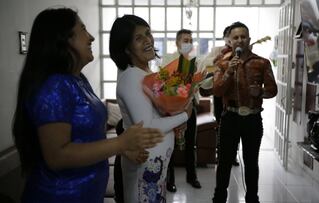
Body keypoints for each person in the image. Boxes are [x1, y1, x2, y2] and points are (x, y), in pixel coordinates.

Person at [12, 8, 164, 203]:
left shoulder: (78, 79)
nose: (91, 37)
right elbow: (57, 156)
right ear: (64, 40)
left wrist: (123, 149)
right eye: (83, 30)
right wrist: (120, 143)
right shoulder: (55, 86)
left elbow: (87, 136)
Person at [109, 15, 193, 202]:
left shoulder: (145, 73)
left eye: (148, 33)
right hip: (145, 166)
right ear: (126, 48)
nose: (148, 40)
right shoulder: (131, 77)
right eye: (138, 38)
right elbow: (146, 126)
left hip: (155, 166)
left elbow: (155, 112)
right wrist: (184, 116)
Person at [212, 22, 278, 203]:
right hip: (230, 118)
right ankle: (219, 198)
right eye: (235, 37)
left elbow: (273, 90)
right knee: (224, 162)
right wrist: (229, 72)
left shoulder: (262, 62)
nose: (240, 40)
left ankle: (252, 198)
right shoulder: (223, 64)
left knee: (251, 163)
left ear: (248, 39)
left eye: (243, 36)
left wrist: (261, 92)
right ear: (229, 41)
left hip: (253, 119)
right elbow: (217, 91)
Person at [161, 29, 202, 192]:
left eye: (191, 40)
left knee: (191, 143)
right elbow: (162, 83)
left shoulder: (195, 61)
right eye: (185, 40)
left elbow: (200, 84)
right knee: (170, 144)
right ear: (177, 43)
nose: (189, 43)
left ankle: (192, 177)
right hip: (172, 109)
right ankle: (169, 179)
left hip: (190, 107)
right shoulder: (167, 59)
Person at [198, 25, 240, 166]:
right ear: (225, 38)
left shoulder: (242, 51)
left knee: (236, 125)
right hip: (219, 93)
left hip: (234, 94)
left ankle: (233, 155)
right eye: (228, 36)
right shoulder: (218, 50)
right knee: (220, 123)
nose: (230, 39)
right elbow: (205, 65)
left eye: (233, 36)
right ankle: (221, 152)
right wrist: (216, 59)